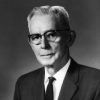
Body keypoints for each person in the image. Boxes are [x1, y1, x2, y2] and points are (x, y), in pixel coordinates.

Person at [14, 5, 100, 100]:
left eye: (51, 35)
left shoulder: (96, 82)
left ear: (70, 38)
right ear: (30, 43)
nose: (43, 45)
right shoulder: (23, 84)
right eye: (36, 37)